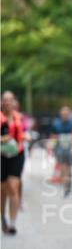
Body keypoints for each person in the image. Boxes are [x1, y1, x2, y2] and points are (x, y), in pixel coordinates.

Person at [1, 91, 26, 235]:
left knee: (13, 186)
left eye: (10, 100)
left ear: (14, 102)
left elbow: (24, 132)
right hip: (2, 156)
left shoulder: (19, 117)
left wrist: (26, 136)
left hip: (17, 154)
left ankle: (12, 223)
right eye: (5, 100)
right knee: (2, 189)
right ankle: (2, 217)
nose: (7, 102)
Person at [49, 106, 72, 196]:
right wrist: (51, 145)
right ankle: (66, 184)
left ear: (69, 114)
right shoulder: (56, 124)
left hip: (70, 149)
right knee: (63, 166)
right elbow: (52, 136)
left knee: (69, 167)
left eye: (67, 114)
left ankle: (68, 181)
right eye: (63, 114)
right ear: (60, 114)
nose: (65, 115)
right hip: (60, 149)